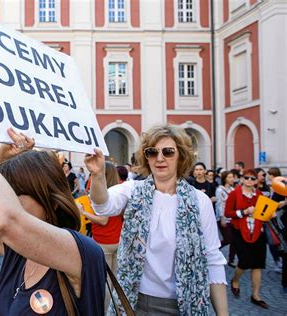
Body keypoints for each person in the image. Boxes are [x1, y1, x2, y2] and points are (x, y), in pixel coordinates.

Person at [0, 97, 106, 315]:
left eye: (14, 194)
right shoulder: (18, 248)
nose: (4, 200)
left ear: (47, 197)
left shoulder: (80, 251)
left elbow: (6, 220)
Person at [85, 124, 228, 315]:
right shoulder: (132, 190)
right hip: (133, 302)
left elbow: (213, 259)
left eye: (168, 152)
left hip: (184, 305)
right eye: (152, 152)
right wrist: (97, 175)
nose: (160, 158)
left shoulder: (199, 201)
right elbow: (103, 204)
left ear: (181, 156)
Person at [78, 161, 123, 312]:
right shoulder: (119, 192)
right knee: (115, 282)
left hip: (104, 241)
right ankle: (116, 311)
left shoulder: (103, 196)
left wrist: (84, 213)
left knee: (104, 284)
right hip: (117, 240)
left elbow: (103, 220)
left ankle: (105, 311)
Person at [224, 169, 268, 309]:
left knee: (258, 264)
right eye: (246, 177)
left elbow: (264, 213)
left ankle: (256, 295)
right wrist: (243, 212)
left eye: (252, 178)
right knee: (244, 262)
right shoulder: (233, 194)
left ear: (256, 181)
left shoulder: (259, 194)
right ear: (242, 179)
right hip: (240, 232)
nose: (249, 180)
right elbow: (227, 213)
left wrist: (268, 215)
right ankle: (235, 280)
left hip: (257, 232)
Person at [215, 171, 236, 267]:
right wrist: (222, 217)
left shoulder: (233, 189)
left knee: (233, 240)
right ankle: (213, 251)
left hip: (232, 217)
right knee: (228, 239)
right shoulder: (220, 190)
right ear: (225, 179)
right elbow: (219, 204)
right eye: (230, 177)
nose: (232, 179)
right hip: (223, 217)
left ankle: (231, 260)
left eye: (232, 177)